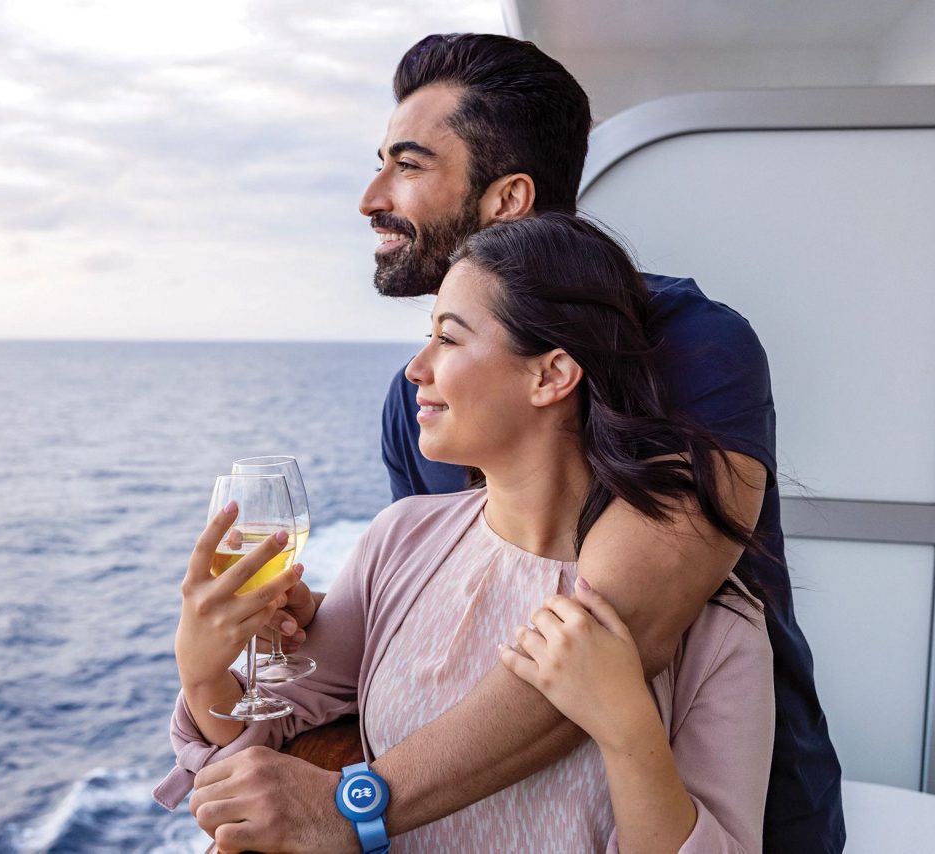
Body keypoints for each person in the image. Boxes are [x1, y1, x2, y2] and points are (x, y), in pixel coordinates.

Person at [156, 33, 845, 853]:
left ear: (508, 198)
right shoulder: (409, 427)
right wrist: (289, 642)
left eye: (409, 165)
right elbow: (432, 637)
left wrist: (351, 808)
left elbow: (611, 639)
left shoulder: (695, 346)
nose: (373, 195)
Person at [162, 213, 776, 851]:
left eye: (448, 340)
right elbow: (269, 741)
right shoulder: (400, 540)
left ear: (551, 375)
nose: (415, 369)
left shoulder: (716, 627)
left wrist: (625, 726)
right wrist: (204, 667)